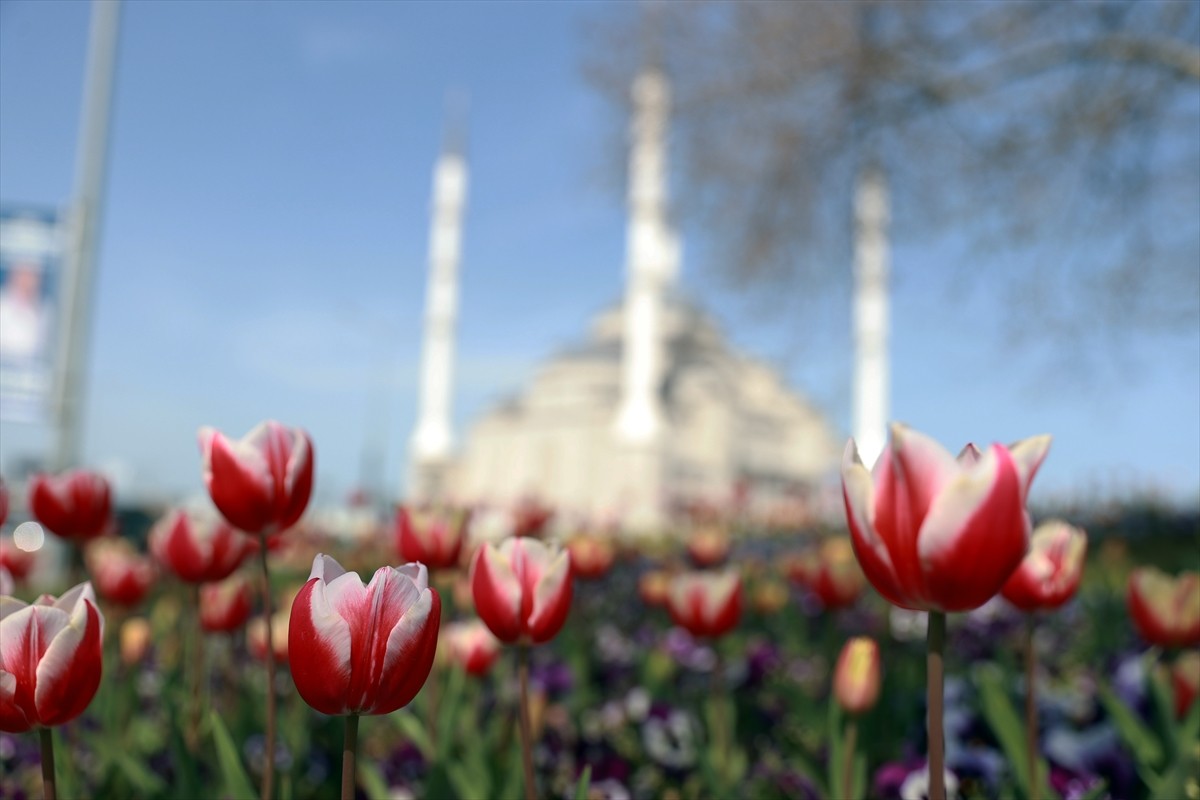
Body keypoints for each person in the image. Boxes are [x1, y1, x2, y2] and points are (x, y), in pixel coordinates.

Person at [0, 261, 52, 364]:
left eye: (32, 274)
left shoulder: (47, 311)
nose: (27, 280)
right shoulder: (2, 305)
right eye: (23, 273)